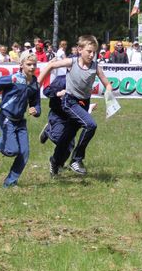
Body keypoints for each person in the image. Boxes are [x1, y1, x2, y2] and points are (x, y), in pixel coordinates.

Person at [37, 34, 114, 177]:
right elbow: (51, 65)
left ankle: (55, 162)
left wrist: (110, 99)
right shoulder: (72, 62)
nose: (92, 55)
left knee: (66, 138)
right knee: (91, 125)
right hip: (70, 101)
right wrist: (37, 84)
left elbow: (107, 84)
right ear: (79, 49)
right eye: (89, 51)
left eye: (94, 52)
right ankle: (76, 159)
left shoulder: (96, 67)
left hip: (83, 105)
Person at [0, 55, 41, 187]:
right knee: (11, 150)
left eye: (34, 64)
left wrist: (36, 110)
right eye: (29, 64)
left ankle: (10, 182)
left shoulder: (35, 84)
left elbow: (36, 104)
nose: (32, 67)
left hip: (20, 121)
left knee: (24, 153)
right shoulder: (14, 79)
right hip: (6, 118)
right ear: (21, 65)